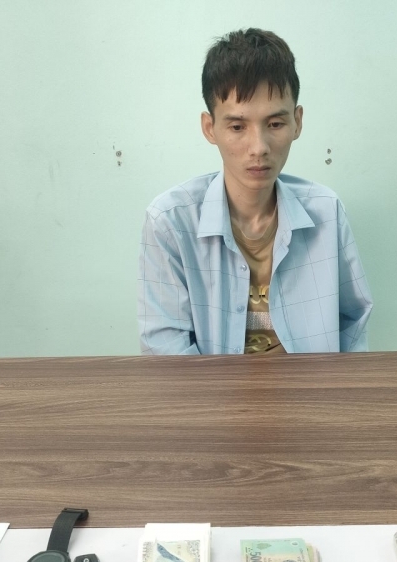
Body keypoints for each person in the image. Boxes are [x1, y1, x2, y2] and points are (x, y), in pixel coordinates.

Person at [138, 28, 373, 355]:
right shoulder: (170, 221)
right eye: (237, 127)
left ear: (297, 122)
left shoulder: (326, 211)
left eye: (275, 124)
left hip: (313, 386)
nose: (258, 147)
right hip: (210, 389)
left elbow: (353, 321)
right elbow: (166, 349)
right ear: (210, 128)